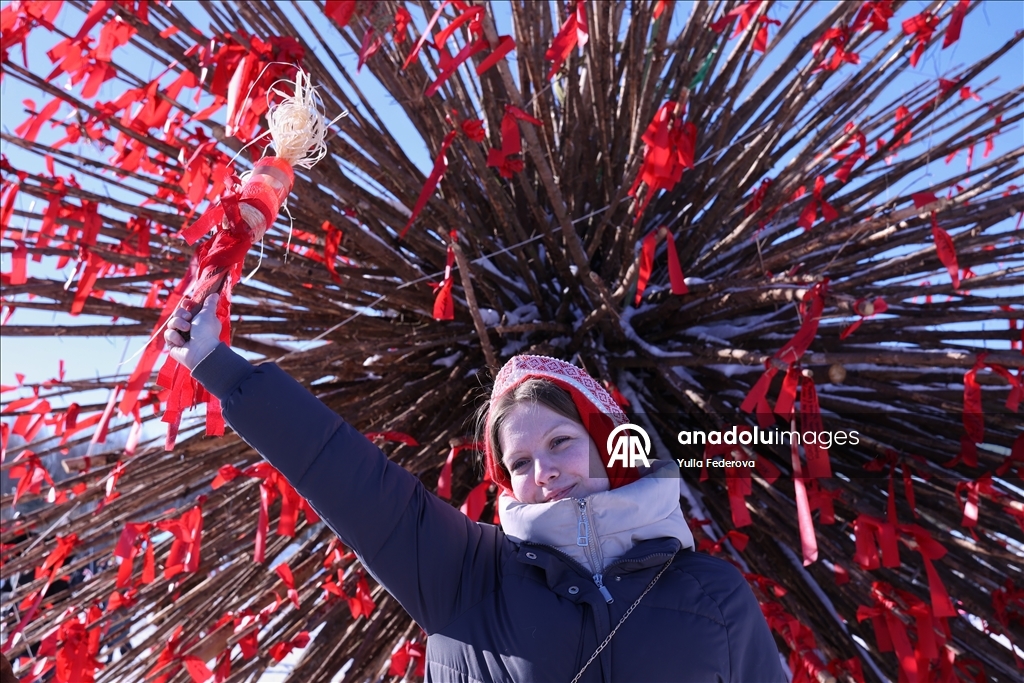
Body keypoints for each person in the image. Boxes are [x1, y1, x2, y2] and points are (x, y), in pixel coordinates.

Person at [166, 295, 786, 683]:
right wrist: (218, 365)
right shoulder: (464, 574)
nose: (541, 472)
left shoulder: (711, 592)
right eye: (518, 462)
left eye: (561, 443)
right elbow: (343, 472)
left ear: (608, 445)